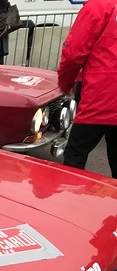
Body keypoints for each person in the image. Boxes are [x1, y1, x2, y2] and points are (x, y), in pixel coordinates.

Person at [58, 0, 117, 178]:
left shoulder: (98, 6)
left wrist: (65, 83)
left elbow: (73, 53)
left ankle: (74, 202)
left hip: (100, 96)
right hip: (105, 95)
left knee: (75, 156)